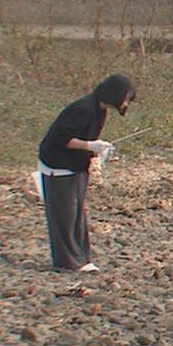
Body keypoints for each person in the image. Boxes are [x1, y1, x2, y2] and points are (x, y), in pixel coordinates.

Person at [38, 74, 134, 273]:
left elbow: (86, 138)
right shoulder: (83, 109)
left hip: (76, 165)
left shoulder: (99, 111)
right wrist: (90, 146)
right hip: (58, 164)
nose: (126, 104)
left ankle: (81, 258)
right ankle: (67, 262)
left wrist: (96, 153)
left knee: (77, 213)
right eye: (125, 99)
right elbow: (61, 138)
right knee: (64, 215)